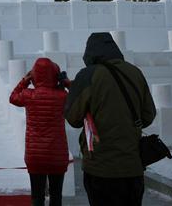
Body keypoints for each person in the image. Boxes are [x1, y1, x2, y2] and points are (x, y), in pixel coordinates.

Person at [65, 32, 156, 206]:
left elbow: (73, 118)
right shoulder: (135, 72)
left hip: (100, 168)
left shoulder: (88, 75)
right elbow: (148, 116)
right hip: (132, 167)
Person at [9, 57, 70, 206]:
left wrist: (25, 80)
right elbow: (78, 97)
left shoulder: (29, 95)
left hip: (35, 154)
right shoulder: (62, 96)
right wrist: (66, 83)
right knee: (56, 197)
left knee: (37, 197)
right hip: (57, 154)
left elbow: (13, 97)